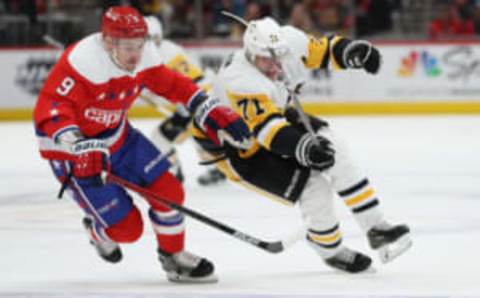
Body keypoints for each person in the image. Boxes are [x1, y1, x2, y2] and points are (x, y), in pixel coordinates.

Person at [33, 6, 250, 283]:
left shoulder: (143, 56)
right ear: (108, 41)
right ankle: (98, 231)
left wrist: (206, 107)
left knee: (169, 193)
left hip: (119, 138)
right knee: (128, 230)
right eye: (128, 47)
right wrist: (76, 144)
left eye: (140, 45)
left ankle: (174, 256)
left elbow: (171, 83)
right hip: (74, 153)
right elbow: (49, 108)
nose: (136, 54)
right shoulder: (82, 61)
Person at [193, 16, 412, 273]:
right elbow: (267, 131)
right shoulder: (239, 79)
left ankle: (376, 227)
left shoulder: (288, 41)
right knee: (313, 185)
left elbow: (324, 50)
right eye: (266, 60)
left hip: (275, 114)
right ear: (251, 54)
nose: (276, 66)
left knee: (335, 146)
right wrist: (305, 149)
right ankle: (329, 249)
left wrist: (352, 51)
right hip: (235, 145)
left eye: (278, 58)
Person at [142, 16, 228, 186]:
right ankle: (217, 170)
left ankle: (175, 174)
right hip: (197, 101)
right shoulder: (166, 50)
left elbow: (194, 82)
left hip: (196, 102)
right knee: (196, 135)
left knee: (160, 138)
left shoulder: (165, 54)